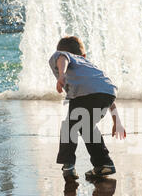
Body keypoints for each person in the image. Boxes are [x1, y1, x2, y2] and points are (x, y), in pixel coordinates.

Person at [49, 36, 126, 180]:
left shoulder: (61, 55)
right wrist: (117, 122)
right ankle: (104, 164)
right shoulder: (90, 66)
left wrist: (62, 75)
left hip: (85, 95)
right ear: (84, 55)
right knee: (86, 127)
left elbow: (62, 57)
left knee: (69, 128)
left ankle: (68, 166)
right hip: (107, 94)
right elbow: (106, 93)